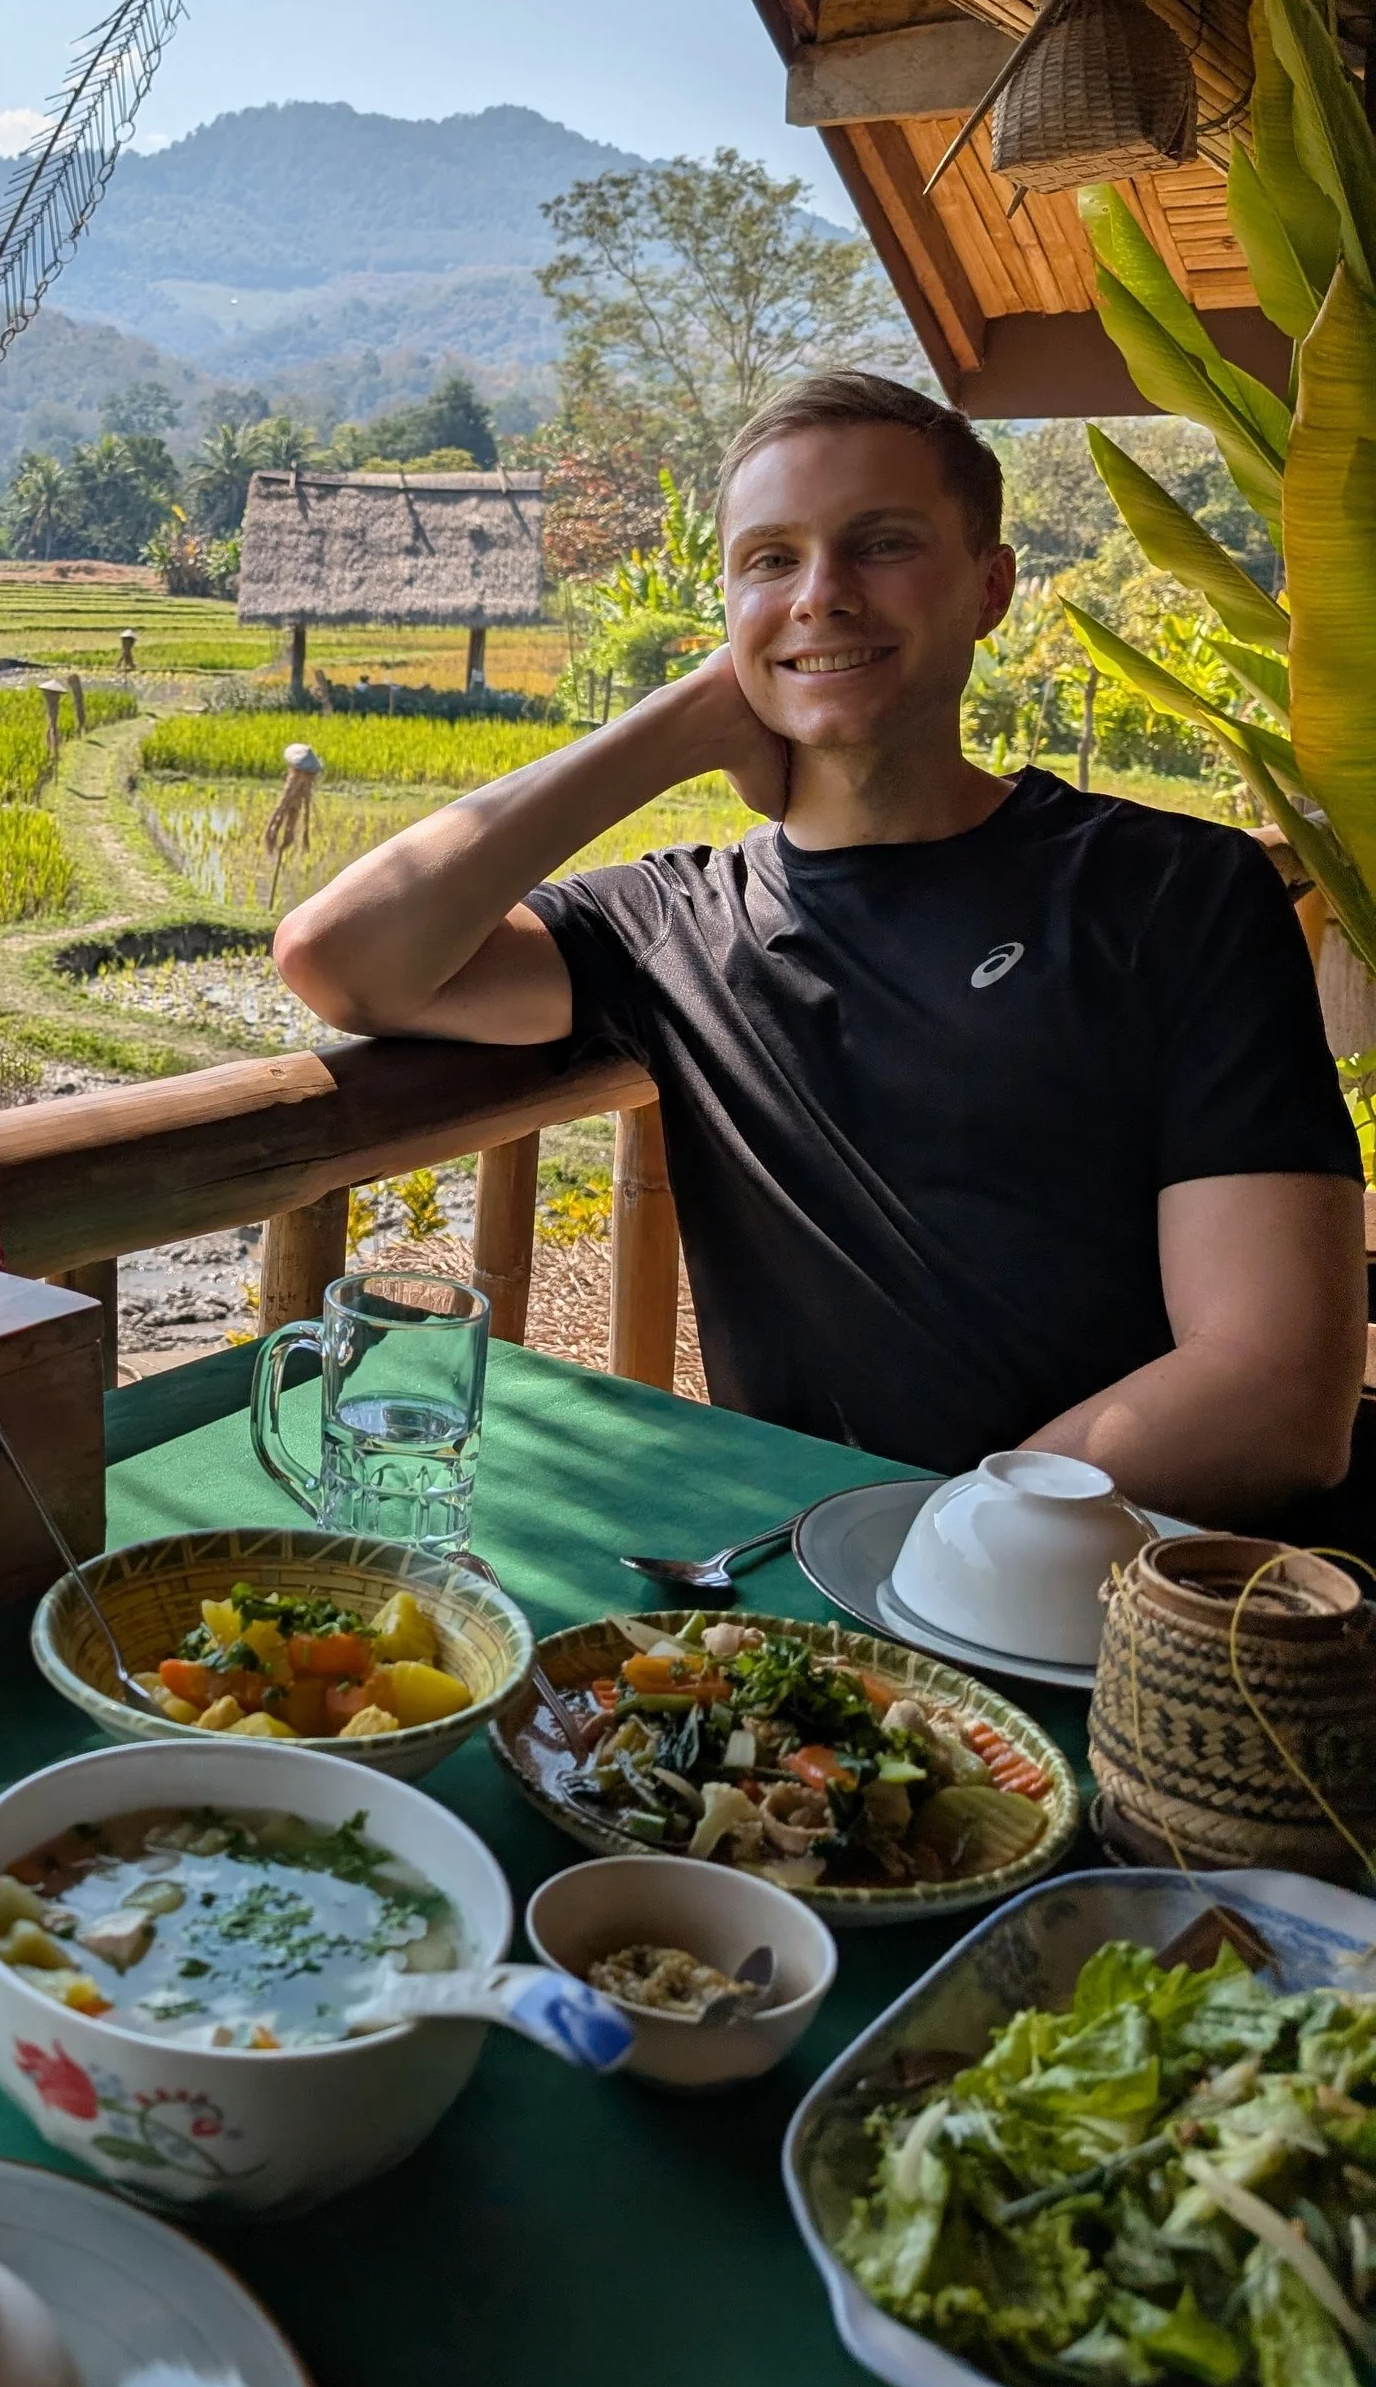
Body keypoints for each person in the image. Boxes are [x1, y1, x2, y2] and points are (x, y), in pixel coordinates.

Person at [274, 371, 1366, 1523]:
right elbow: (342, 958)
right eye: (770, 560)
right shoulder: (671, 925)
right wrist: (677, 724)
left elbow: (1276, 1395)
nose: (822, 595)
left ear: (989, 586)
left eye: (881, 543)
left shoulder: (1174, 890)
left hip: (1143, 1600)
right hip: (833, 1596)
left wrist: (935, 1546)